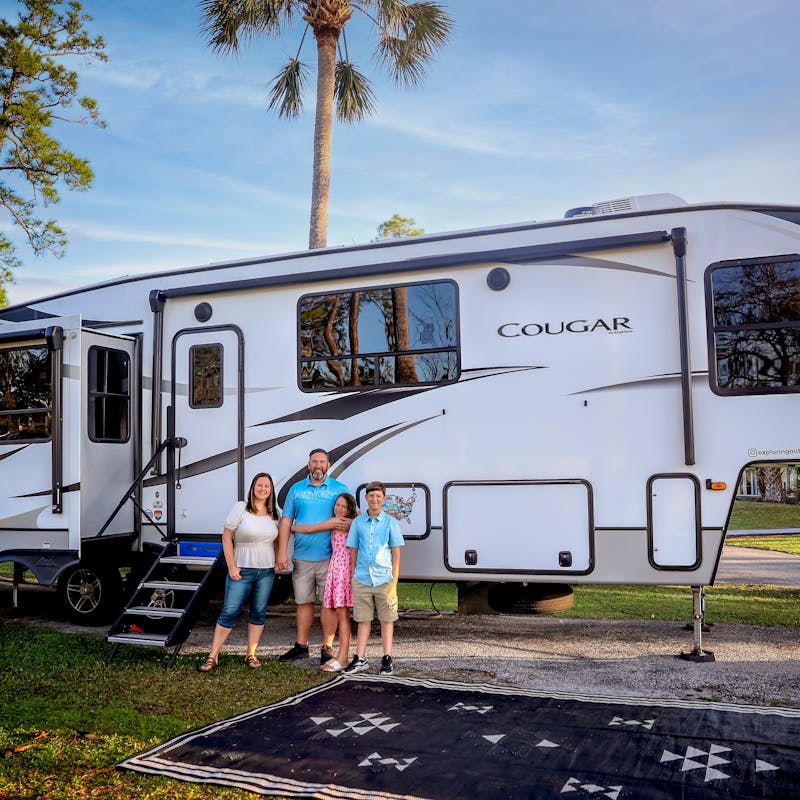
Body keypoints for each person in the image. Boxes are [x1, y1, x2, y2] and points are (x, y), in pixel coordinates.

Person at [276, 448, 351, 664]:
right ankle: (301, 646)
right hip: (302, 556)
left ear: (329, 465)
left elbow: (351, 520)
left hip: (331, 558)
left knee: (328, 604)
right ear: (308, 464)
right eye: (314, 462)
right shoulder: (296, 490)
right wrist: (282, 552)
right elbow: (286, 522)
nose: (318, 466)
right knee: (303, 602)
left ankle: (327, 648)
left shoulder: (340, 489)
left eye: (322, 462)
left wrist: (329, 525)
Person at [198, 472, 279, 672]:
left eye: (267, 486)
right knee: (230, 611)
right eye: (259, 485)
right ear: (253, 487)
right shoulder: (241, 508)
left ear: (271, 491)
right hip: (241, 570)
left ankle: (251, 655)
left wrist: (278, 560)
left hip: (266, 571)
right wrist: (232, 566)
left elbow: (276, 541)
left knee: (259, 612)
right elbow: (227, 537)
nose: (263, 489)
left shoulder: (273, 514)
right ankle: (212, 656)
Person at [290, 492, 358, 672]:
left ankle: (342, 657)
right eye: (337, 505)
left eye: (344, 506)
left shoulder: (340, 522)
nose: (340, 509)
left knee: (343, 614)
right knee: (339, 612)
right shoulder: (346, 521)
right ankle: (340, 655)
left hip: (343, 570)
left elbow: (310, 529)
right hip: (336, 568)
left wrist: (291, 527)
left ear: (350, 508)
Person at [343, 481, 404, 675]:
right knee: (363, 619)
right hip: (362, 578)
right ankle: (360, 658)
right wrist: (354, 574)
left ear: (384, 499)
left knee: (387, 620)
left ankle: (387, 658)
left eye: (378, 496)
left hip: (384, 579)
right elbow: (354, 550)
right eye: (371, 496)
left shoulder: (390, 523)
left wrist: (394, 581)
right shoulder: (358, 522)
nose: (374, 499)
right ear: (366, 498)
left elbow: (396, 553)